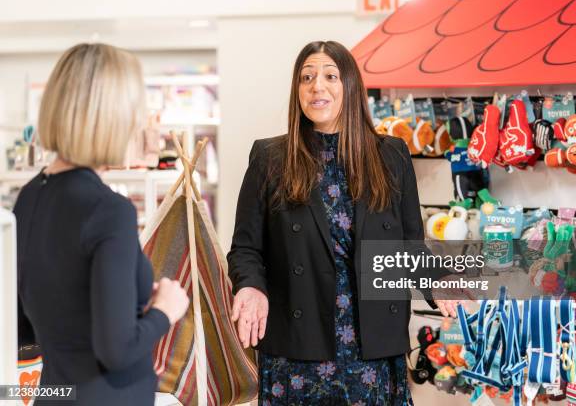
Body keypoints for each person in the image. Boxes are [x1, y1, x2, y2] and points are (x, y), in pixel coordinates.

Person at [228, 40, 461, 405]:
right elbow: (246, 248)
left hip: (373, 345)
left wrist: (439, 280)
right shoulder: (270, 157)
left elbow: (409, 246)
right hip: (297, 345)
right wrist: (250, 286)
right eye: (306, 77)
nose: (316, 86)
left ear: (350, 86)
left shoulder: (391, 155)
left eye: (329, 76)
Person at [14, 43, 189, 406]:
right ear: (113, 117)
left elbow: (28, 323)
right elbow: (117, 351)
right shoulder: (109, 211)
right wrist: (165, 310)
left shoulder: (29, 196)